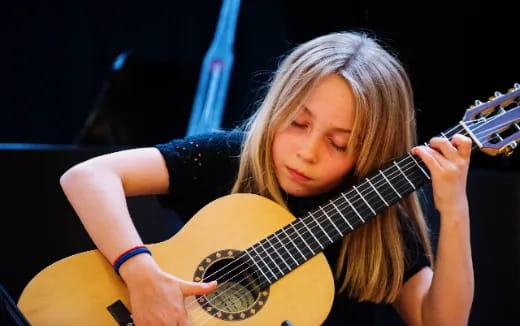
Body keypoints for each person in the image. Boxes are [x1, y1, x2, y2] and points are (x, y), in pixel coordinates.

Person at [60, 31, 474, 325]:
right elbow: (88, 176)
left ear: (371, 153)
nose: (307, 152)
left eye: (339, 143)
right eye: (297, 122)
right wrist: (140, 273)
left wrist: (454, 209)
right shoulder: (230, 158)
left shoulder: (377, 221)